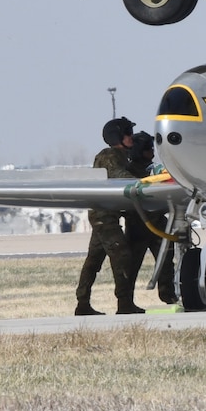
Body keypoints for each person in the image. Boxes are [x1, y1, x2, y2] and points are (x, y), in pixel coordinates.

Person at [75, 117, 142, 316]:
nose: (132, 138)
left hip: (106, 215)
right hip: (103, 216)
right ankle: (124, 303)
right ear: (118, 137)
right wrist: (145, 182)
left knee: (94, 260)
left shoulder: (122, 156)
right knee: (122, 255)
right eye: (128, 134)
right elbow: (119, 176)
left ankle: (82, 304)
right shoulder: (110, 155)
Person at [124, 130, 177, 301]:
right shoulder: (131, 172)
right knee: (132, 265)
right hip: (139, 224)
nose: (152, 152)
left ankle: (167, 295)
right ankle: (126, 300)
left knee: (166, 259)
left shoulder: (155, 170)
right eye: (148, 148)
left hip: (157, 223)